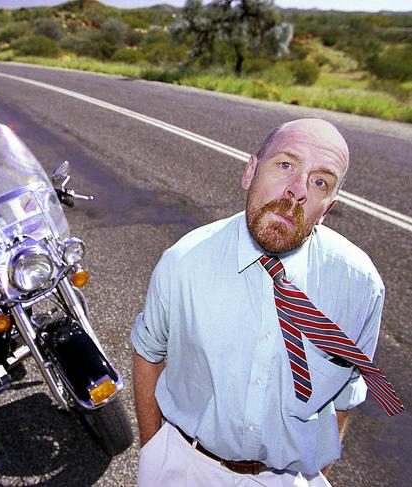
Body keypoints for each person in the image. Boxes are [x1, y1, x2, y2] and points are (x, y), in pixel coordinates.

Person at [131, 118, 403, 486]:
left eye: (319, 181)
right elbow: (148, 354)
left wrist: (315, 475)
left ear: (327, 206)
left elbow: (345, 395)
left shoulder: (360, 285)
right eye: (286, 165)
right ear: (250, 172)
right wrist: (154, 452)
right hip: (186, 465)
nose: (297, 191)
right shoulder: (184, 261)